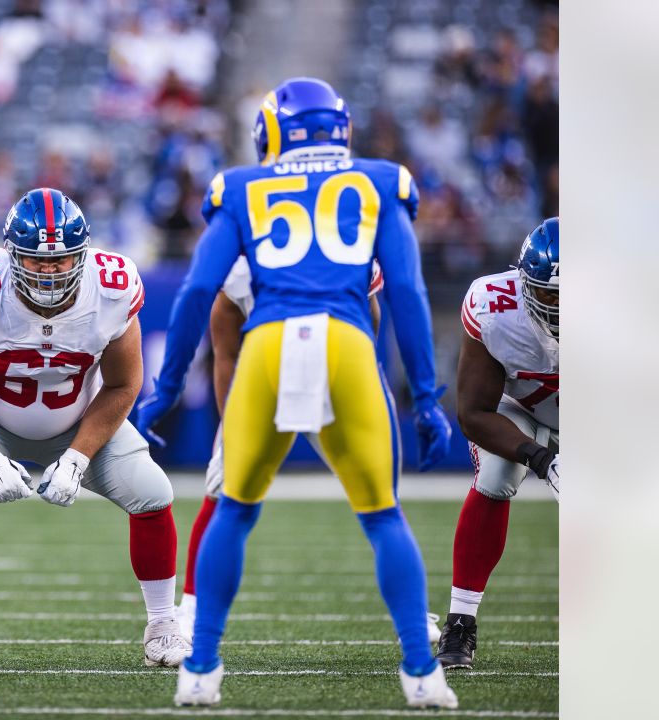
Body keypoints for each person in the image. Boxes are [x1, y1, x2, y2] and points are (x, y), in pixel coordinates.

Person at [134, 77, 457, 709]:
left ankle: (199, 671)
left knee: (234, 509)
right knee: (383, 514)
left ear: (271, 133)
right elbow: (407, 295)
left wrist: (167, 386)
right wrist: (424, 393)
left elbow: (198, 291)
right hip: (345, 342)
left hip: (270, 344)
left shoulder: (241, 186)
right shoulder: (381, 181)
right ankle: (422, 675)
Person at [0, 188, 189, 670]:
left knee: (153, 491)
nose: (50, 272)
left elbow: (123, 384)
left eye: (62, 260)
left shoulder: (112, 286)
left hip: (80, 420)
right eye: (36, 261)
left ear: (83, 254)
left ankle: (162, 625)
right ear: (12, 255)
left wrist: (78, 456)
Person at [174, 261, 445, 647]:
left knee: (380, 497)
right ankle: (190, 611)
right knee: (222, 493)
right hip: (264, 378)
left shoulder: (350, 247)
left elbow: (369, 329)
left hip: (335, 376)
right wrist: (230, 422)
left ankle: (412, 612)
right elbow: (226, 354)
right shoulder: (240, 260)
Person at [436, 218, 559, 669]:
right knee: (496, 475)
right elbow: (473, 413)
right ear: (525, 283)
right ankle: (460, 623)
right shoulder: (495, 306)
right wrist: (543, 459)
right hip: (516, 410)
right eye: (550, 294)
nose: (562, 308)